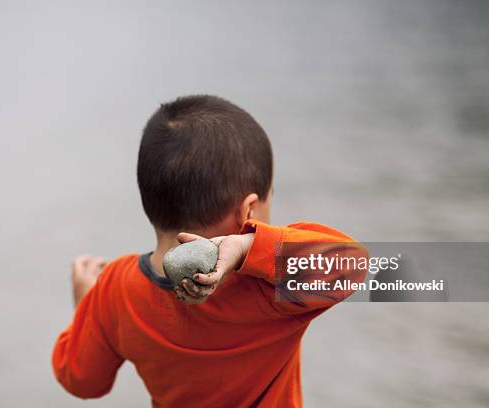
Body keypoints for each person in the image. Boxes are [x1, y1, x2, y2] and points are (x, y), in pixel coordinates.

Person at [52, 95, 365, 407]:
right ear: (250, 210)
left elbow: (82, 381)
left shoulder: (115, 289)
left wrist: (86, 307)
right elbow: (356, 264)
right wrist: (247, 247)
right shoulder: (269, 289)